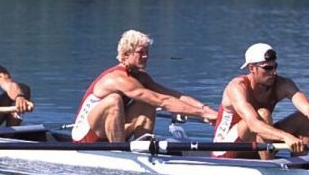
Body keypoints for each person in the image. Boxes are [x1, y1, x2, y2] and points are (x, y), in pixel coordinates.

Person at [72, 29, 217, 143]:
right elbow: (163, 102)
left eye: (147, 52)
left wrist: (206, 109)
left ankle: (144, 147)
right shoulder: (117, 78)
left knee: (148, 103)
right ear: (125, 54)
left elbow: (174, 96)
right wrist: (202, 114)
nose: (146, 56)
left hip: (111, 130)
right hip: (86, 137)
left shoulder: (141, 77)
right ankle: (119, 152)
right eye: (141, 53)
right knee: (114, 100)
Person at [213, 42, 309, 159]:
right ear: (252, 68)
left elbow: (308, 108)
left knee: (305, 119)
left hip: (260, 144)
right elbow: (253, 124)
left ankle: (299, 166)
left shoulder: (282, 84)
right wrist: (286, 137)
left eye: (275, 66)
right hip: (227, 149)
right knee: (263, 114)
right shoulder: (237, 87)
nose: (274, 72)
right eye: (268, 68)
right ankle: (269, 167)